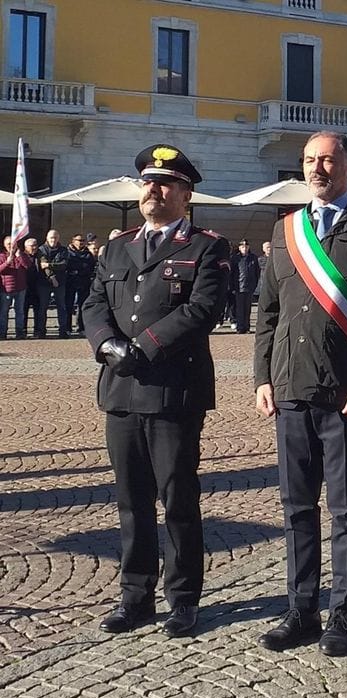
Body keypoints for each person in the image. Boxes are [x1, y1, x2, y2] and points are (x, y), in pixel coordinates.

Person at [254, 131, 347, 656]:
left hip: (346, 394)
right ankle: (301, 608)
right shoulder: (285, 230)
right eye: (309, 161)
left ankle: (342, 611)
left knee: (343, 508)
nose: (317, 169)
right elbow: (268, 313)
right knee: (296, 506)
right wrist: (261, 377)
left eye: (327, 160)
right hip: (291, 388)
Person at [83, 143, 230, 638]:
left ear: (186, 195)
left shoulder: (206, 247)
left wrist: (141, 347)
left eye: (166, 184)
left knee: (178, 499)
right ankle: (135, 596)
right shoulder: (117, 246)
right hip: (120, 389)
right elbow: (94, 304)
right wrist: (106, 344)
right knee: (131, 500)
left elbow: (201, 310)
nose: (154, 191)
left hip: (173, 392)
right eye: (148, 183)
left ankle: (183, 598)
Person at [36, 229, 69, 338]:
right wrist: (52, 277)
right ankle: (41, 331)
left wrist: (49, 265)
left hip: (60, 283)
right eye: (51, 238)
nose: (53, 240)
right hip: (44, 283)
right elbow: (43, 265)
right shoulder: (41, 249)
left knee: (61, 307)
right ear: (47, 238)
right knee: (43, 307)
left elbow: (63, 264)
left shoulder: (63, 250)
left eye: (55, 238)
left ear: (58, 238)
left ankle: (63, 331)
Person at [0, 235, 30, 339]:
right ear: (4, 245)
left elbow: (27, 266)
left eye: (13, 244)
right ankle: (2, 332)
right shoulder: (1, 256)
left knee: (20, 311)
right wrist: (7, 262)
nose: (11, 246)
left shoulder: (21, 255)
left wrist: (19, 257)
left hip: (20, 288)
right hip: (7, 289)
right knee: (4, 312)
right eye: (8, 244)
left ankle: (19, 332)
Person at [65, 233, 96, 335]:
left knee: (82, 305)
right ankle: (67, 327)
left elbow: (90, 267)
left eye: (83, 240)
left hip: (84, 282)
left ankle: (80, 327)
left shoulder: (88, 254)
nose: (81, 242)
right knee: (68, 305)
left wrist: (80, 271)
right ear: (73, 241)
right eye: (79, 240)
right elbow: (66, 266)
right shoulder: (67, 252)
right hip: (70, 282)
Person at [230, 238, 261, 334]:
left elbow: (257, 272)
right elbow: (232, 273)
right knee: (239, 308)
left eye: (246, 246)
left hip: (249, 286)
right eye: (243, 247)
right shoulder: (235, 258)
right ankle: (240, 327)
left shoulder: (253, 258)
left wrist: (254, 284)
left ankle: (247, 327)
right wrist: (232, 286)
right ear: (239, 248)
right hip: (239, 286)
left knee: (247, 309)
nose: (245, 248)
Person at [22, 238, 41, 336]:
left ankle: (37, 330)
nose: (34, 247)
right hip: (25, 287)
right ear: (26, 247)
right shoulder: (21, 256)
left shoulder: (39, 256)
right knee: (23, 310)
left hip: (37, 287)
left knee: (37, 310)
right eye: (32, 246)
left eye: (35, 245)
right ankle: (23, 330)